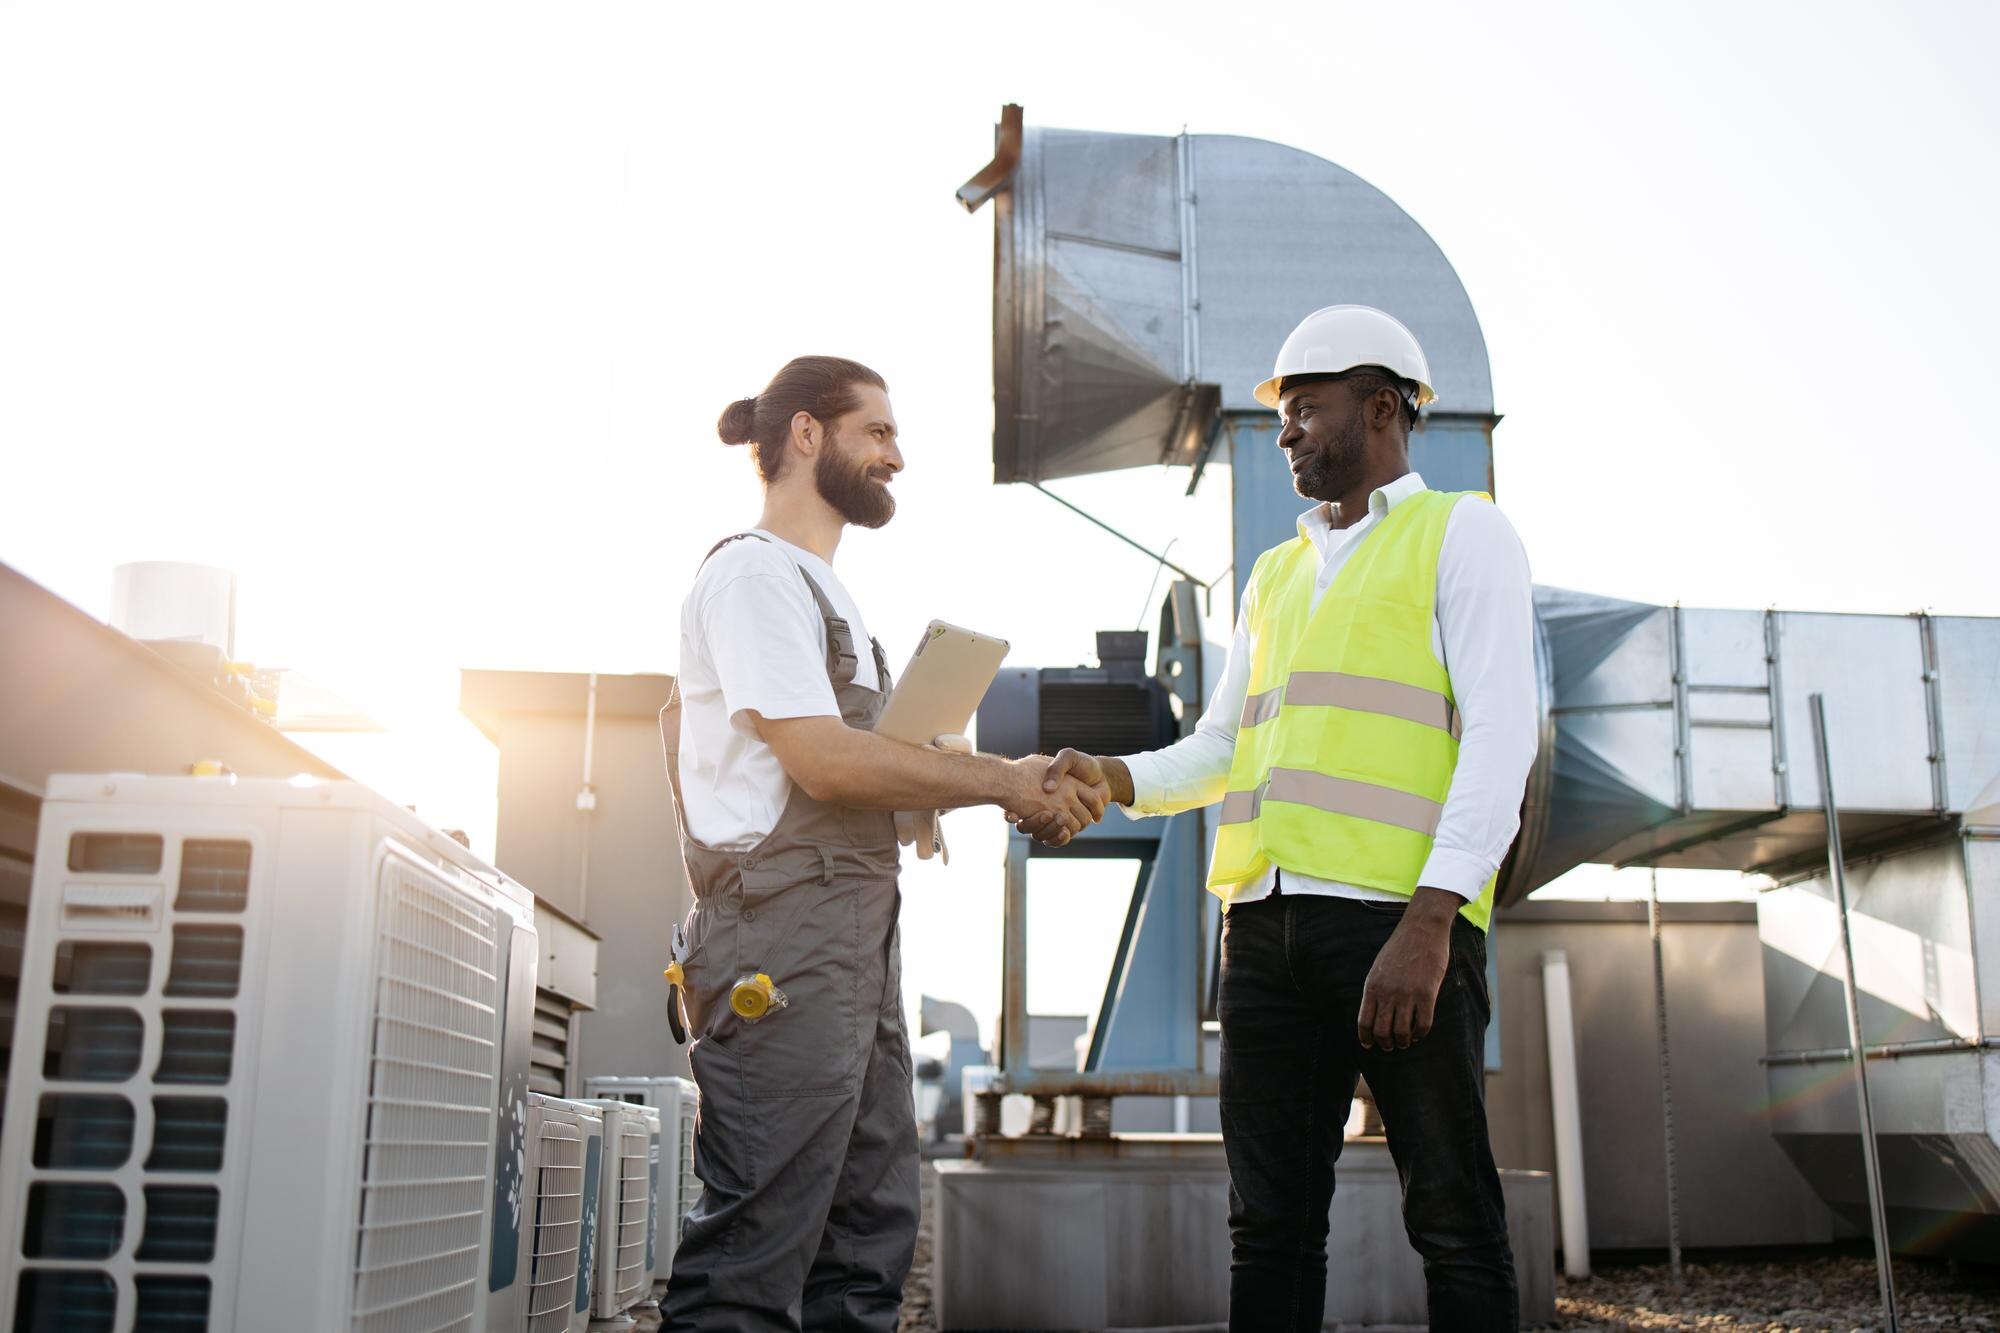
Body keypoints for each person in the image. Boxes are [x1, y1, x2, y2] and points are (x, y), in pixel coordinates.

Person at [1027, 307, 1538, 1330]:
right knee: (1268, 1227)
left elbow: (1501, 737)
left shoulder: (1462, 533)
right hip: (1262, 933)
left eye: (1304, 408)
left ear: (1380, 407)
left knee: (1452, 1218)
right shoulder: (1275, 574)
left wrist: (1431, 920)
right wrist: (1113, 777)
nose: (1285, 432)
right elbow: (1224, 745)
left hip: (1398, 926)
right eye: (1280, 414)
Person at [659, 354, 1104, 1332]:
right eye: (878, 431)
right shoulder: (753, 577)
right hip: (780, 943)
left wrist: (974, 778)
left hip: (855, 936)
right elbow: (824, 763)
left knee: (866, 1235)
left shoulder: (830, 599)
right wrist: (1002, 781)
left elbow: (862, 779)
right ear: (806, 434)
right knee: (754, 1247)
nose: (896, 456)